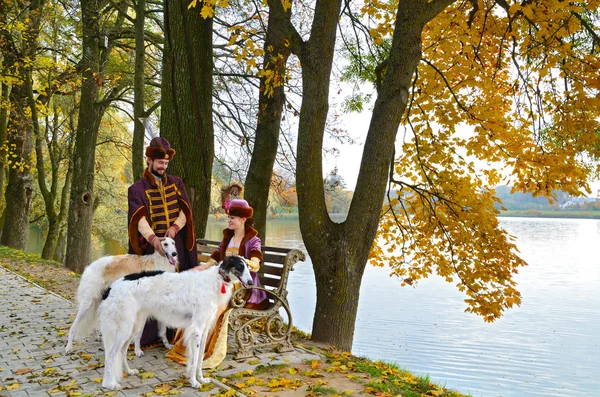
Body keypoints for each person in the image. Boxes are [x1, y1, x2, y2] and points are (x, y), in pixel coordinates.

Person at [166, 184, 268, 367]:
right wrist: (202, 267)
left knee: (215, 307)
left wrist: (240, 260)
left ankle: (206, 352)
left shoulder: (253, 240)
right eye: (229, 217)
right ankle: (188, 347)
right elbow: (215, 259)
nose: (229, 221)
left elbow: (255, 264)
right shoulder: (227, 238)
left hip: (244, 288)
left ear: (243, 219)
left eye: (233, 218)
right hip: (225, 283)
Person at [127, 136, 199, 347]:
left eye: (166, 163)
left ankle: (174, 335)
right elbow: (138, 219)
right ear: (149, 160)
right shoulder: (136, 189)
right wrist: (153, 240)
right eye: (160, 163)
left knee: (176, 291)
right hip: (152, 250)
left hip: (176, 248)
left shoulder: (176, 183)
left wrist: (175, 227)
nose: (163, 166)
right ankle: (146, 336)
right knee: (150, 291)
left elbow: (186, 212)